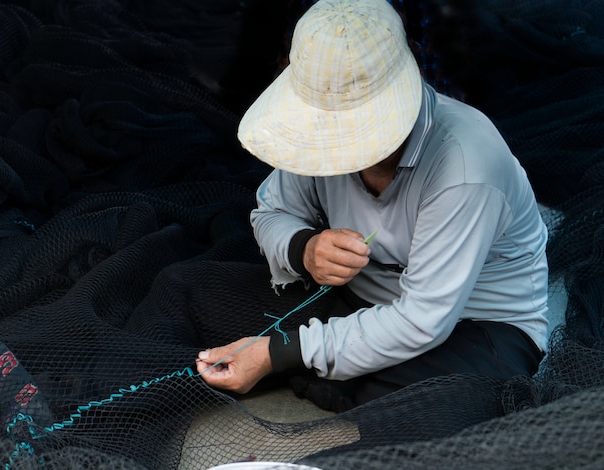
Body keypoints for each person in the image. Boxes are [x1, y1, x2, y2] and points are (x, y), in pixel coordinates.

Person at [196, 0, 549, 412]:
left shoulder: (468, 164)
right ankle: (335, 367)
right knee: (197, 292)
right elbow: (271, 213)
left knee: (423, 407)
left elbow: (422, 319)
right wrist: (305, 249)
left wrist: (276, 351)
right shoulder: (313, 133)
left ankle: (333, 373)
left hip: (474, 323)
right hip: (363, 299)